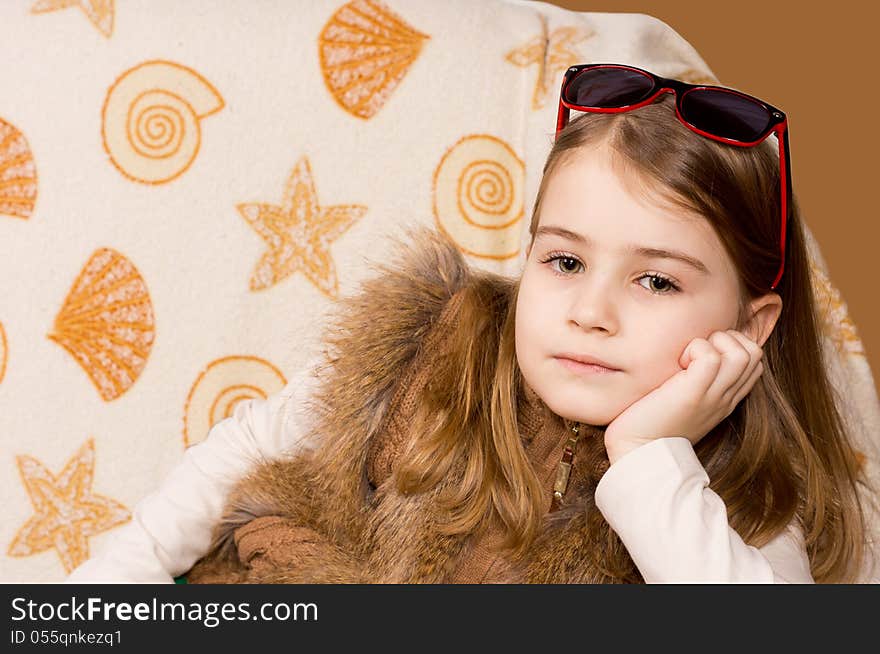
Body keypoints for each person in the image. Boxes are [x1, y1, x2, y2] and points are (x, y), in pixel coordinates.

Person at [67, 64, 874, 584]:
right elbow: (241, 449)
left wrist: (650, 455)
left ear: (751, 324)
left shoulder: (737, 506)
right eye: (564, 263)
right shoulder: (436, 344)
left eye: (656, 280)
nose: (591, 313)